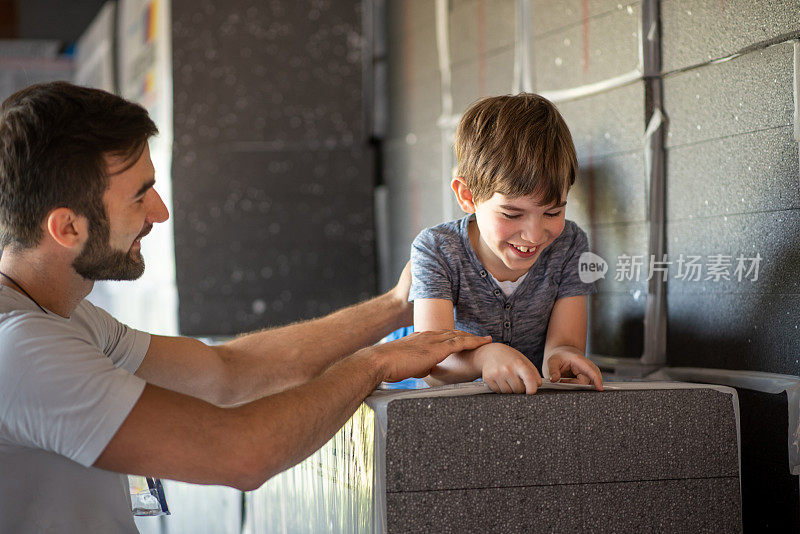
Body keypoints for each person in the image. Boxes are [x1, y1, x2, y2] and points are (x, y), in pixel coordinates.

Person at [0, 81, 491, 533]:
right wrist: (374, 363)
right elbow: (242, 453)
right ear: (66, 229)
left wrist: (393, 307)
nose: (161, 213)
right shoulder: (24, 350)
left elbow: (227, 371)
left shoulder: (62, 314)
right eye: (139, 196)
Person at [409, 93, 604, 395]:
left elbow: (564, 343)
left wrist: (564, 358)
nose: (534, 235)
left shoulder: (570, 243)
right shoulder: (437, 249)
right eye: (512, 214)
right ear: (467, 196)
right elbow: (431, 365)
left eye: (553, 212)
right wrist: (483, 357)